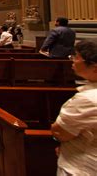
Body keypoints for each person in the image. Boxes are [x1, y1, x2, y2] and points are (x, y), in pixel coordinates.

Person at [51, 39, 97, 175]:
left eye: (76, 57)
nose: (73, 60)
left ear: (94, 67)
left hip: (81, 166)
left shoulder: (87, 99)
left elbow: (59, 131)